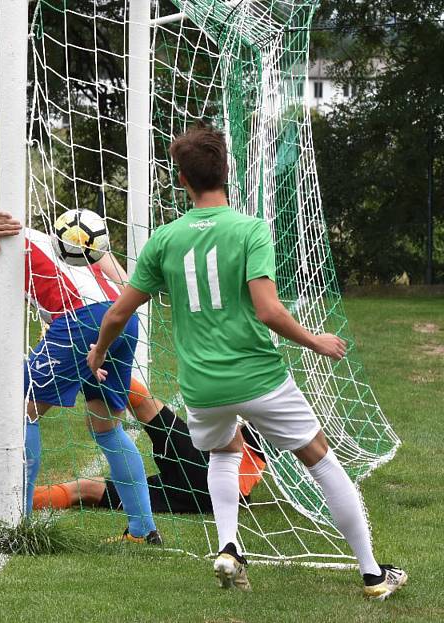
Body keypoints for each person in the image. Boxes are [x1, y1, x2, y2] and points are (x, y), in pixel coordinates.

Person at [87, 124, 407, 599]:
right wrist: (315, 341)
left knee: (223, 452)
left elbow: (118, 311)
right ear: (227, 173)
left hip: (201, 386)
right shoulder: (251, 229)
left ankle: (230, 548)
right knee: (320, 459)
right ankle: (372, 574)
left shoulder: (164, 239)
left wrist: (97, 352)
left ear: (182, 179)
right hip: (259, 376)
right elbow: (268, 310)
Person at [0, 209, 159, 544]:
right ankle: (142, 531)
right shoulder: (42, 243)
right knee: (105, 427)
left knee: (20, 412)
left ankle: (17, 524)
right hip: (120, 315)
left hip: (80, 317)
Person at [0, 377, 266, 514]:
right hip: (215, 498)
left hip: (207, 470)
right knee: (87, 490)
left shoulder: (256, 412)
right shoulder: (267, 415)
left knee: (145, 403)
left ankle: (87, 362)